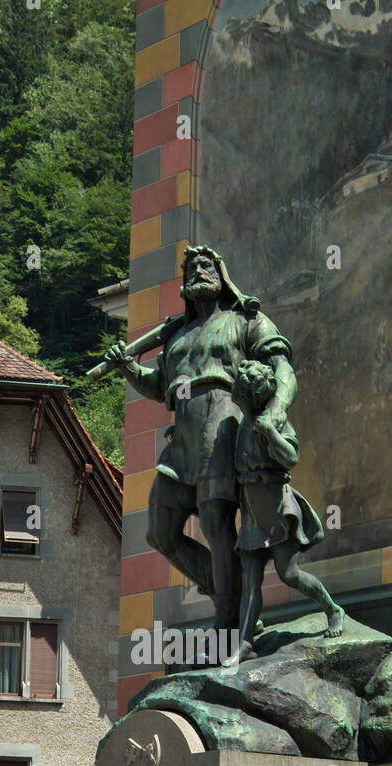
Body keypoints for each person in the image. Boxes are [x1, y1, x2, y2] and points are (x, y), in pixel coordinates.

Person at [102, 245, 295, 635]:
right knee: (160, 530)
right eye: (191, 267)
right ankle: (227, 591)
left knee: (215, 521)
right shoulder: (178, 335)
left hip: (222, 425)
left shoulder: (245, 320)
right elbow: (159, 388)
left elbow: (284, 369)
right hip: (183, 439)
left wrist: (275, 411)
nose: (198, 271)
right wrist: (127, 367)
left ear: (221, 275)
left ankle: (227, 621)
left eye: (206, 265)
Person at [224, 359, 344, 666]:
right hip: (252, 513)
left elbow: (291, 457)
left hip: (277, 509)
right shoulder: (241, 426)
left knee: (289, 574)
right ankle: (245, 643)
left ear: (252, 394)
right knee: (250, 581)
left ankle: (332, 609)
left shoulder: (273, 421)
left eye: (241, 386)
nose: (236, 389)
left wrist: (272, 435)